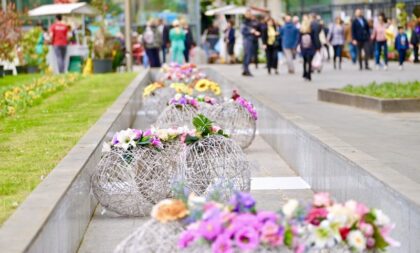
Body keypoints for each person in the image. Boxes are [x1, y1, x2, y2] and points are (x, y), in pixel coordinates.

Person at [241, 10, 259, 76]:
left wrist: (254, 32)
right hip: (247, 40)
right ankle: (246, 70)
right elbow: (243, 32)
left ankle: (245, 70)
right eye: (248, 13)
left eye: (250, 13)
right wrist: (251, 32)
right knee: (248, 55)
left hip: (251, 40)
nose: (250, 14)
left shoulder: (251, 22)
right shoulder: (245, 22)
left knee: (247, 55)